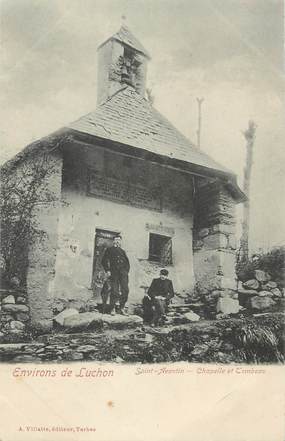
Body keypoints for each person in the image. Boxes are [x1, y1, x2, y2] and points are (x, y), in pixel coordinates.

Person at [101, 234, 130, 315]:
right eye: (116, 239)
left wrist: (126, 272)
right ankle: (112, 308)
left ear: (121, 241)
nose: (117, 241)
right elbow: (103, 261)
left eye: (119, 240)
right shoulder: (109, 250)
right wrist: (108, 270)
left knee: (125, 291)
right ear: (113, 241)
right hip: (114, 274)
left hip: (123, 274)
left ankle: (122, 308)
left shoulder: (122, 251)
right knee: (115, 291)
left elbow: (127, 263)